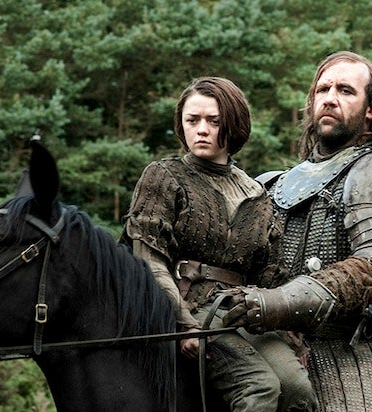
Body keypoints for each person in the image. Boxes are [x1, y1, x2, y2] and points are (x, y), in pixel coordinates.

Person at [222, 51, 372, 411]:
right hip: (265, 343)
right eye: (323, 89)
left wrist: (275, 303)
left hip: (345, 353)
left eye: (345, 90)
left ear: (370, 109)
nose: (330, 98)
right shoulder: (270, 184)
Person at [121, 76, 316, 411]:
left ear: (234, 125)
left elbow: (271, 275)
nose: (201, 130)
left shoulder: (257, 193)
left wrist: (287, 333)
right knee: (259, 387)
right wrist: (183, 323)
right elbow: (148, 259)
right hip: (189, 307)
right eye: (192, 120)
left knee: (298, 389)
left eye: (214, 121)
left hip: (245, 313)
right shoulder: (164, 176)